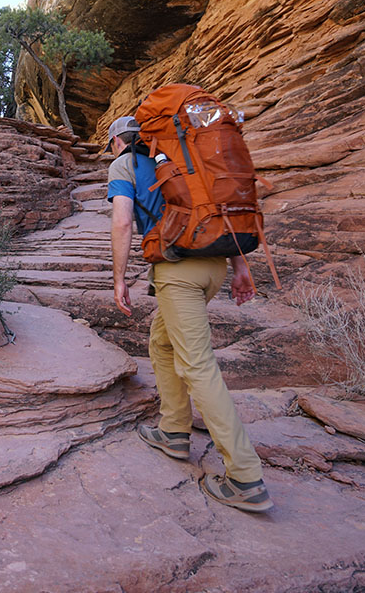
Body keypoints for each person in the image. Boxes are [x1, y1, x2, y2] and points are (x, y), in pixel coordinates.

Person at [106, 115, 274, 513]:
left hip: (177, 271)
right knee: (162, 344)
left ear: (116, 141)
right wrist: (240, 268)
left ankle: (245, 477)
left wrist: (118, 279)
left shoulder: (123, 164)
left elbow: (123, 221)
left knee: (197, 365)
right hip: (214, 265)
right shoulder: (184, 159)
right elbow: (216, 210)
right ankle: (174, 430)